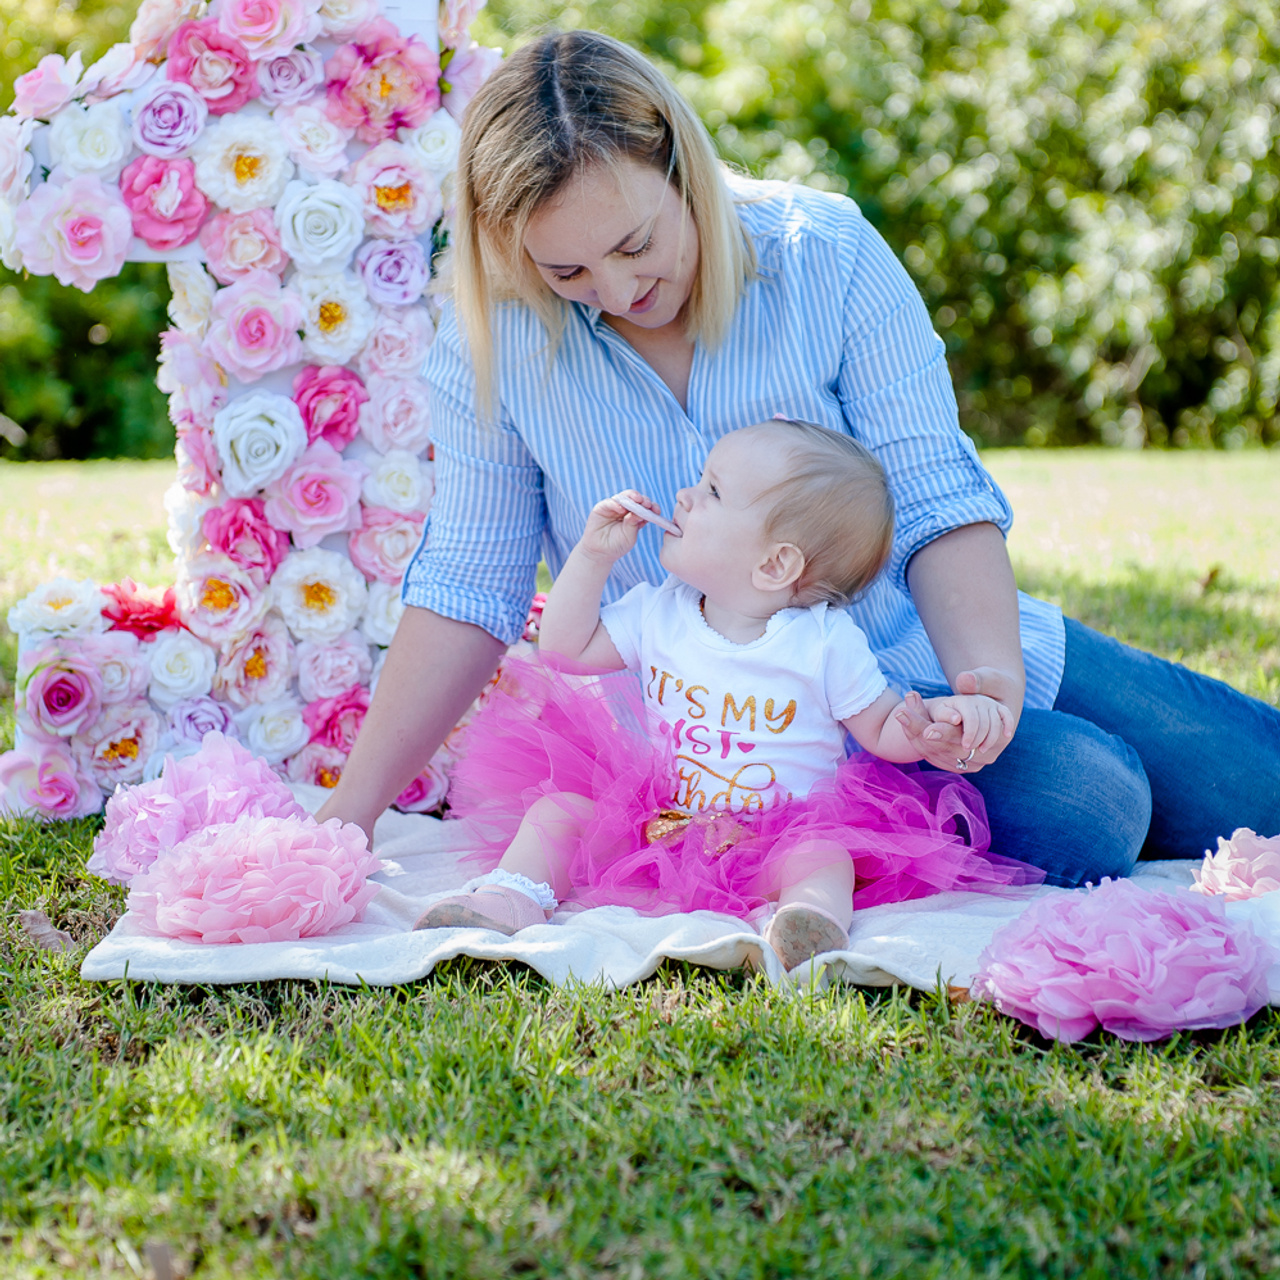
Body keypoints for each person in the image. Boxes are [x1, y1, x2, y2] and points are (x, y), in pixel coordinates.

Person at [317, 30, 1280, 887]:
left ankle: (1099, 759)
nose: (615, 289)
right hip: (741, 740)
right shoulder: (498, 344)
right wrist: (346, 820)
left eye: (635, 243)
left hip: (913, 648)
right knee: (1092, 804)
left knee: (1255, 780)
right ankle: (1095, 785)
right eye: (567, 271)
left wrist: (988, 685)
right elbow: (466, 586)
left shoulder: (828, 256)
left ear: (679, 164)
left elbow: (937, 495)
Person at [415, 420, 1042, 969]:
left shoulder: (823, 643)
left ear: (775, 565)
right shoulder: (659, 612)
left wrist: (932, 725)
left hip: (773, 837)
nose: (685, 495)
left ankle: (808, 922)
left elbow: (881, 729)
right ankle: (510, 897)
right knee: (557, 815)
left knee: (824, 855)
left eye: (712, 491)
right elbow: (565, 649)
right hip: (656, 825)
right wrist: (591, 556)